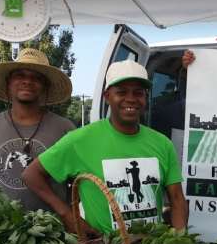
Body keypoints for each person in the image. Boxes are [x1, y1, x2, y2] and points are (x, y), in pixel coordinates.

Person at [22, 61, 188, 234]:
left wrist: (179, 243)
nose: (130, 99)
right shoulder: (80, 140)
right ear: (107, 96)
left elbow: (177, 199)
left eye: (138, 93)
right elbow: (31, 174)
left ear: (145, 97)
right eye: (121, 92)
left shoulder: (162, 144)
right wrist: (68, 215)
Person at [0, 49, 76, 212]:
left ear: (45, 86)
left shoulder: (65, 129)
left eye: (36, 77)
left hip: (54, 231)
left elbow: (79, 183)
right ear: (9, 82)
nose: (27, 81)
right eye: (19, 75)